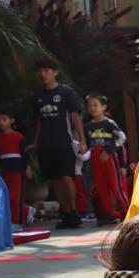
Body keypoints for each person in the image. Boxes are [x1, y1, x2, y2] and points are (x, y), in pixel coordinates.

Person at [30, 57, 87, 229]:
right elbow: (39, 121)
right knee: (54, 180)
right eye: (40, 70)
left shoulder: (65, 92)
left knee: (66, 177)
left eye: (46, 70)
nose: (43, 74)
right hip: (45, 145)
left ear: (55, 72)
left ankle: (74, 212)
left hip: (63, 143)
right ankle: (66, 214)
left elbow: (75, 116)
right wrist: (35, 143)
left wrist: (82, 139)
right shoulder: (37, 96)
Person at [84, 93, 129, 226]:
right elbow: (87, 144)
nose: (92, 108)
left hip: (109, 157)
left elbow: (122, 137)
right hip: (95, 158)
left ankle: (126, 212)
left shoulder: (109, 123)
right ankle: (108, 214)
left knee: (116, 187)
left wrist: (109, 151)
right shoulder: (87, 126)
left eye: (95, 105)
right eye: (90, 106)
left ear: (103, 107)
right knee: (101, 187)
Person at [0, 107, 35, 227]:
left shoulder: (18, 137)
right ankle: (26, 212)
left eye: (4, 119)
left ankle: (18, 222)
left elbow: (25, 153)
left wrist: (27, 167)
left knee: (16, 198)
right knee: (7, 197)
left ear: (11, 120)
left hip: (18, 172)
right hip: (5, 172)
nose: (1, 123)